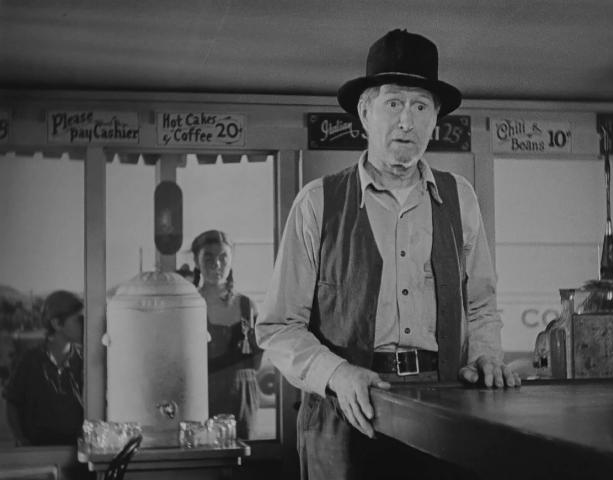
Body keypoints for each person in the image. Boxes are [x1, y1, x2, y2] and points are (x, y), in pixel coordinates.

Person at [255, 29, 521, 480]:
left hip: (443, 409)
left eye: (421, 107)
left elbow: (480, 304)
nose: (407, 122)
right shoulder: (317, 202)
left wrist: (485, 355)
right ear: (365, 113)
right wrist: (338, 374)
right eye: (394, 103)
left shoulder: (461, 199)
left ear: (435, 121)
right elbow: (279, 326)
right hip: (342, 411)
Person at [191, 229, 262, 439]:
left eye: (223, 257)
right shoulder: (191, 306)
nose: (217, 264)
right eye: (208, 257)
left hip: (244, 401)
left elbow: (255, 363)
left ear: (231, 259)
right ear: (196, 261)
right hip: (205, 400)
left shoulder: (247, 306)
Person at [3, 290, 84, 446]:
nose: (84, 324)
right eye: (78, 319)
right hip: (38, 449)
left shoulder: (82, 360)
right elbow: (12, 402)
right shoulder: (30, 360)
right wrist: (20, 438)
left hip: (74, 449)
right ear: (57, 323)